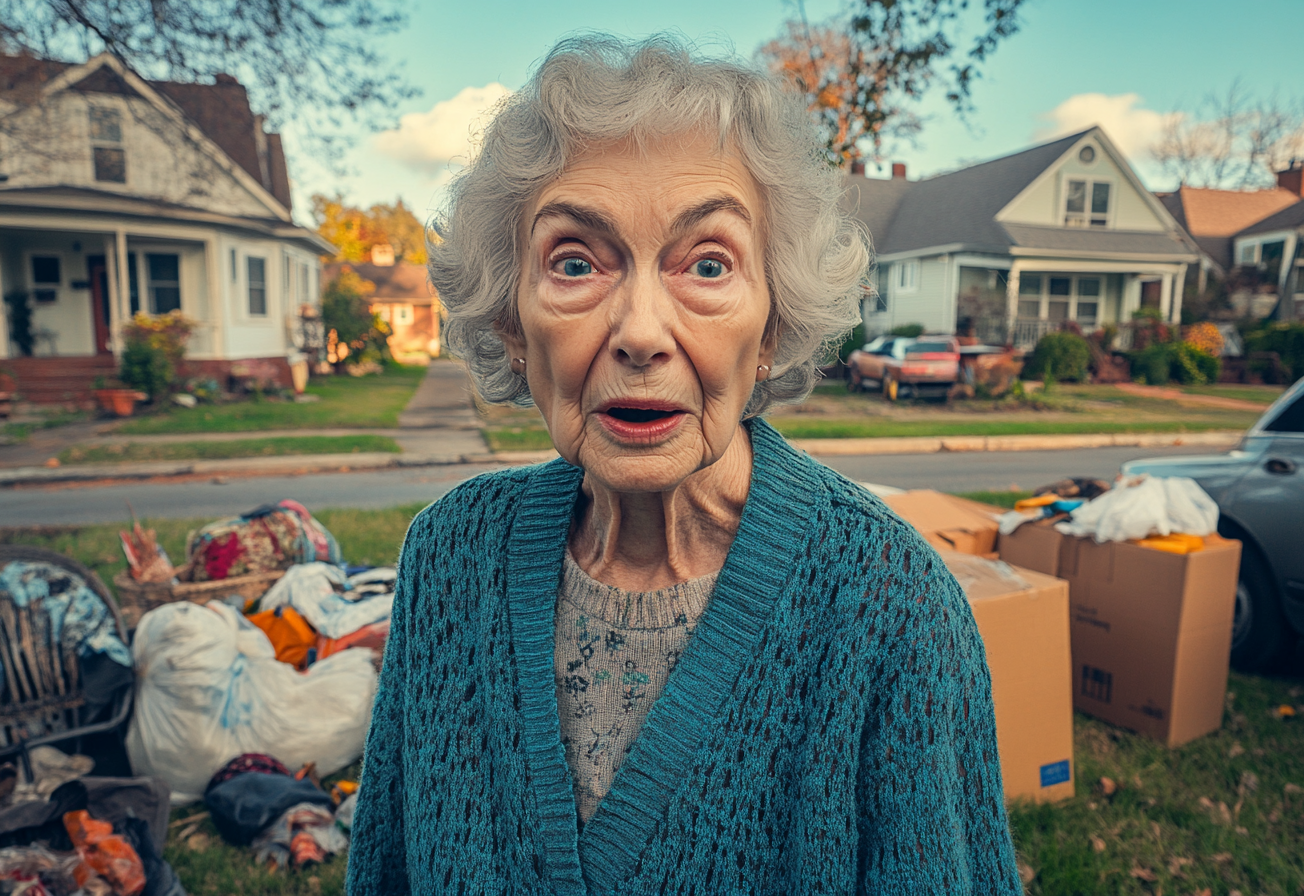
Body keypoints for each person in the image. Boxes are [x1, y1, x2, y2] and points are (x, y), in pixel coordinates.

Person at [347, 34, 1021, 896]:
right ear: (514, 326)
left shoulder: (894, 612)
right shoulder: (448, 561)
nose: (639, 331)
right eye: (575, 262)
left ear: (772, 326)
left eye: (707, 263)